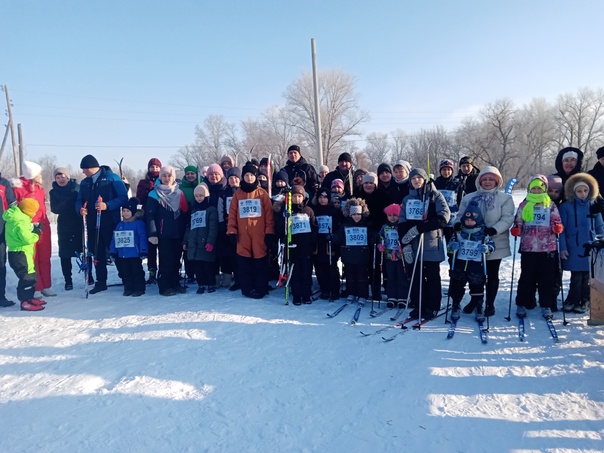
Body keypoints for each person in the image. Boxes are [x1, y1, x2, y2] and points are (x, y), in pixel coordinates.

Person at [455, 166, 515, 316]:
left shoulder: (505, 198)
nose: (487, 182)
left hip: (495, 241)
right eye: (484, 179)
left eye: (491, 179)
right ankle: (476, 300)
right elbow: (460, 214)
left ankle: (490, 303)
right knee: (475, 274)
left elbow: (507, 218)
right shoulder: (469, 197)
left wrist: (494, 229)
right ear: (479, 180)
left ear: (497, 181)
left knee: (492, 274)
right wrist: (457, 224)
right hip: (472, 243)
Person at [398, 168, 450, 320]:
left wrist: (422, 226)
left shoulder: (435, 196)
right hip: (414, 244)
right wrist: (404, 241)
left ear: (425, 179)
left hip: (431, 243)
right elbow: (402, 221)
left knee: (432, 276)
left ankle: (433, 306)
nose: (416, 181)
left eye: (419, 178)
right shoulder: (408, 199)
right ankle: (419, 305)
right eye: (413, 179)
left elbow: (443, 218)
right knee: (416, 276)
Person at [76, 154, 129, 294]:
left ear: (91, 167)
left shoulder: (111, 178)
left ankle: (126, 277)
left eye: (84, 169)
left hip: (110, 222)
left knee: (116, 252)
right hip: (92, 223)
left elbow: (123, 198)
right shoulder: (85, 183)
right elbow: (79, 200)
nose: (83, 172)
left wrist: (108, 205)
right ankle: (101, 282)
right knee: (97, 253)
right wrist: (80, 209)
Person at [512, 175, 563, 319]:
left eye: (539, 188)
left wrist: (557, 227)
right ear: (529, 189)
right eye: (533, 188)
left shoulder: (550, 204)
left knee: (546, 278)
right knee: (527, 277)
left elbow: (556, 220)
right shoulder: (524, 204)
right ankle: (523, 302)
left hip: (547, 247)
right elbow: (519, 221)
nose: (536, 191)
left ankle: (546, 304)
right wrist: (516, 229)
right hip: (528, 247)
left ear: (544, 189)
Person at [227, 163, 275, 299]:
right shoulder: (238, 195)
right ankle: (247, 288)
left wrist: (269, 232)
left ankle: (261, 287)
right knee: (244, 262)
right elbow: (232, 215)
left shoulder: (262, 194)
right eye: (246, 175)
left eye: (251, 175)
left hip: (259, 234)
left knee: (260, 262)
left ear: (255, 177)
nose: (249, 178)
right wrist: (232, 231)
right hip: (243, 235)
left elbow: (269, 216)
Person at [559, 173, 604, 314]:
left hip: (590, 246)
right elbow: (561, 230)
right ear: (573, 191)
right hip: (573, 246)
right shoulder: (565, 207)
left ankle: (585, 300)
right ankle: (572, 299)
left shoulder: (593, 206)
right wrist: (563, 247)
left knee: (588, 276)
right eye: (579, 191)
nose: (583, 194)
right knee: (576, 276)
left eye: (585, 191)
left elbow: (600, 226)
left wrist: (600, 242)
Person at [12, 161, 55, 298]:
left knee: (44, 256)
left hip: (43, 224)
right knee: (32, 258)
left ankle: (46, 285)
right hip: (29, 225)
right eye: (39, 173)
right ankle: (36, 286)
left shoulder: (39, 188)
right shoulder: (18, 188)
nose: (41, 176)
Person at [447, 200, 495, 321]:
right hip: (460, 265)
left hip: (476, 266)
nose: (469, 222)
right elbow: (449, 246)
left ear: (477, 220)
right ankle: (456, 304)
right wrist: (452, 247)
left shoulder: (483, 234)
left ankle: (478, 306)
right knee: (457, 286)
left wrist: (487, 248)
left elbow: (492, 246)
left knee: (477, 287)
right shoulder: (459, 233)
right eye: (467, 220)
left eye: (472, 220)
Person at [147, 166, 189, 296]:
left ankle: (175, 283)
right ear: (160, 177)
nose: (166, 178)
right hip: (163, 233)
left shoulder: (179, 193)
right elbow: (150, 215)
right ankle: (164, 286)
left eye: (169, 176)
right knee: (166, 261)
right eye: (164, 175)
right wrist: (153, 233)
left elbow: (184, 212)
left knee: (177, 260)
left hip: (178, 232)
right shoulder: (154, 193)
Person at [3, 198, 45, 311]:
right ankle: (25, 302)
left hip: (22, 252)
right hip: (20, 254)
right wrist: (37, 233)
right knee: (27, 278)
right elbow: (26, 238)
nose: (35, 213)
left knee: (32, 275)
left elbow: (23, 230)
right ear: (28, 211)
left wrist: (33, 226)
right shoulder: (20, 221)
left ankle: (29, 298)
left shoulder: (19, 217)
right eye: (34, 211)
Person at [356, 171, 391, 301]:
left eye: (371, 183)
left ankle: (376, 290)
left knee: (375, 263)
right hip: (361, 233)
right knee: (362, 262)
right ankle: (362, 289)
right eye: (366, 183)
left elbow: (387, 215)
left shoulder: (383, 195)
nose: (368, 185)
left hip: (377, 232)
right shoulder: (358, 195)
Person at [49, 167, 82, 291]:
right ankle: (68, 279)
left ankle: (88, 275)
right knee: (65, 253)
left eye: (62, 177)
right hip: (64, 224)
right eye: (57, 177)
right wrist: (67, 202)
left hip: (78, 222)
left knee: (83, 250)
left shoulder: (77, 188)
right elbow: (54, 209)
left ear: (67, 177)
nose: (60, 180)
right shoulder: (54, 192)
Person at [183, 183, 219, 294]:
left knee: (208, 265)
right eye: (197, 196)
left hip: (205, 242)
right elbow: (189, 227)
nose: (199, 198)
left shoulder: (211, 210)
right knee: (198, 266)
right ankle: (201, 284)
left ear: (206, 196)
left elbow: (213, 227)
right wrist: (185, 240)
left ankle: (211, 283)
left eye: (201, 196)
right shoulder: (194, 210)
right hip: (194, 242)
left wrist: (210, 241)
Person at [334, 198, 371, 304]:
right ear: (350, 215)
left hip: (362, 256)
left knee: (362, 277)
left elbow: (372, 236)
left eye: (359, 214)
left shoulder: (366, 226)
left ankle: (362, 294)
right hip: (349, 256)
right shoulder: (345, 226)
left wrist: (376, 239)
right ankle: (351, 292)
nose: (356, 216)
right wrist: (332, 237)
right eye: (354, 214)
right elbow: (339, 237)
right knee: (350, 276)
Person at [109, 197, 147, 297]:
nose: (125, 213)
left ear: (133, 212)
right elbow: (114, 239)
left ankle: (139, 288)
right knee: (125, 273)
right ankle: (128, 288)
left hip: (134, 254)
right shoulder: (120, 225)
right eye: (124, 211)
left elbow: (143, 237)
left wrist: (143, 250)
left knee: (136, 272)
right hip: (123, 254)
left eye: (128, 211)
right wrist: (113, 251)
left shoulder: (138, 224)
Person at [288, 185, 316, 305]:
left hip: (306, 247)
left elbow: (314, 227)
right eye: (294, 196)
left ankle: (307, 294)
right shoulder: (288, 210)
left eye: (299, 196)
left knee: (306, 271)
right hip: (293, 246)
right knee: (295, 271)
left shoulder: (308, 210)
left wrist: (313, 243)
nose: (297, 199)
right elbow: (281, 228)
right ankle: (296, 295)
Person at [312, 187, 341, 301]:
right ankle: (324, 289)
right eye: (320, 197)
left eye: (325, 197)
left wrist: (334, 237)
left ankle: (334, 289)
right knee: (319, 267)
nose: (322, 200)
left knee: (331, 267)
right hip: (318, 243)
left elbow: (338, 228)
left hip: (330, 243)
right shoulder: (314, 210)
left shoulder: (333, 211)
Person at [136, 157, 161, 284]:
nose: (154, 169)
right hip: (148, 217)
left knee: (162, 247)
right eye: (152, 167)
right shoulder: (143, 182)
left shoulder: (163, 180)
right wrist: (148, 189)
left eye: (157, 167)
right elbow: (139, 199)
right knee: (151, 247)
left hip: (161, 217)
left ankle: (163, 271)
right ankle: (152, 272)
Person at [378, 204, 408, 308]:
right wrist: (380, 245)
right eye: (390, 215)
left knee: (401, 276)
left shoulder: (402, 226)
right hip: (389, 255)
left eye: (395, 215)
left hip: (400, 256)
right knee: (391, 276)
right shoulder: (384, 227)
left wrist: (404, 246)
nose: (392, 217)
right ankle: (392, 296)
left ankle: (402, 297)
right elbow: (380, 237)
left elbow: (407, 238)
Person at [217, 167, 241, 289]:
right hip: (227, 227)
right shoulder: (224, 192)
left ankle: (240, 278)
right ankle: (227, 276)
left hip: (242, 228)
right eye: (231, 178)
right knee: (227, 254)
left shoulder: (242, 192)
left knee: (240, 255)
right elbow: (220, 209)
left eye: (235, 178)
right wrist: (222, 226)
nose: (233, 180)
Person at [434, 159, 462, 245]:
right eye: (444, 169)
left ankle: (451, 257)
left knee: (451, 244)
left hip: (452, 218)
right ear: (440, 171)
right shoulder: (436, 183)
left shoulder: (457, 183)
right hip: (439, 217)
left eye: (449, 169)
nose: (446, 172)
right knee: (437, 244)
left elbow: (460, 200)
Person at [0, 171, 17, 306]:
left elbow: (12, 206)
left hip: (1, 231)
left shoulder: (4, 183)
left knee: (0, 264)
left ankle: (1, 297)